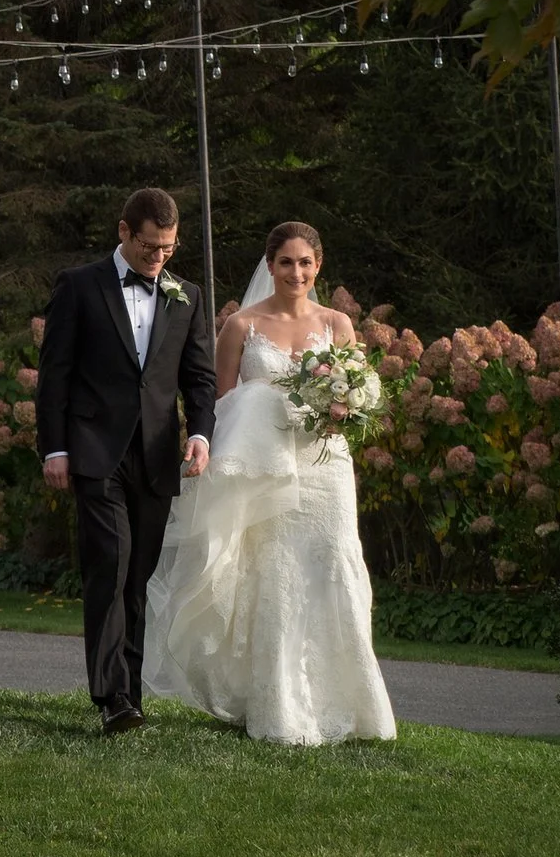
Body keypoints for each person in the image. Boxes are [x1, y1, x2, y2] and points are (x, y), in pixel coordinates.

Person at [142, 221, 397, 744]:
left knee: (333, 568)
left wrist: (342, 408)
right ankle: (277, 706)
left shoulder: (337, 325)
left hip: (326, 469)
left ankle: (351, 705)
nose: (296, 272)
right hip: (264, 472)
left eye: (305, 263)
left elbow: (358, 395)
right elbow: (216, 405)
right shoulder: (241, 326)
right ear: (270, 265)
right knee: (277, 576)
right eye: (286, 262)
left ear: (318, 266)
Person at [35, 187, 218, 733]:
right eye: (148, 247)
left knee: (138, 578)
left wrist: (202, 435)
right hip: (95, 454)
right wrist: (55, 447)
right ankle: (112, 696)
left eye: (167, 248)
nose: (158, 258)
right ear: (123, 232)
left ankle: (130, 695)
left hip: (158, 456)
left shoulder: (186, 294)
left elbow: (199, 378)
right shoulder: (79, 285)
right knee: (110, 567)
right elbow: (55, 375)